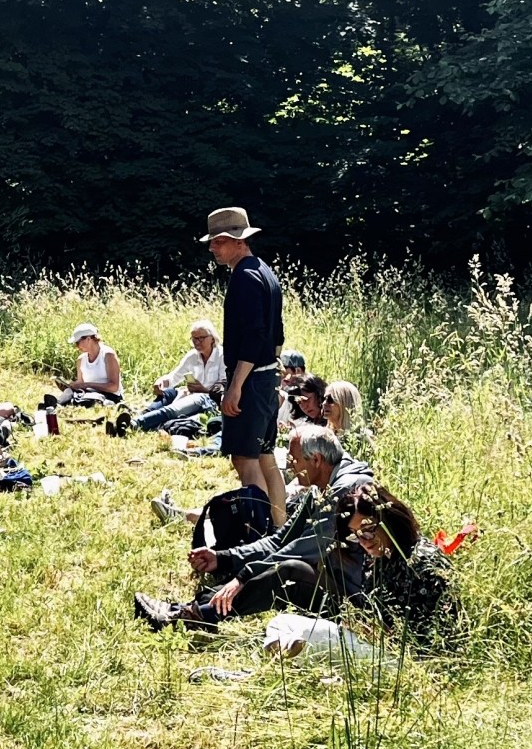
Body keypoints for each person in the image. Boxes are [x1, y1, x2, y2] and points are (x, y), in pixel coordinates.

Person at [134, 424, 349, 632]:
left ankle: (200, 617)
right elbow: (280, 540)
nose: (291, 467)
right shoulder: (320, 487)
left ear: (317, 460)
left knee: (288, 570)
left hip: (347, 602)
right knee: (275, 563)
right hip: (329, 580)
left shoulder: (342, 494)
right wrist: (224, 558)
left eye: (295, 460)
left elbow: (301, 549)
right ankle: (187, 610)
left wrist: (243, 576)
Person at [204, 207, 286, 527]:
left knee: (245, 460)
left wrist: (236, 386)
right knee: (266, 458)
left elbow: (254, 337)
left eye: (219, 241)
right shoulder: (265, 271)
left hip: (251, 382)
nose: (212, 247)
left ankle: (260, 534)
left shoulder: (245, 277)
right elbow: (276, 334)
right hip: (265, 379)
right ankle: (279, 530)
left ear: (239, 241)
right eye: (212, 241)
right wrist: (272, 377)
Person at [337, 485, 459, 650]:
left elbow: (442, 636)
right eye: (355, 534)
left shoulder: (423, 563)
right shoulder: (379, 556)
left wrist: (385, 636)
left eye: (368, 530)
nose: (363, 541)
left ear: (388, 519)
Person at [132, 321, 225, 431]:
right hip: (189, 394)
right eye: (194, 339)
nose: (197, 342)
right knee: (168, 393)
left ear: (212, 339)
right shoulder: (192, 356)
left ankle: (135, 423)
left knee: (172, 409)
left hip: (208, 399)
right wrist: (161, 382)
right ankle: (145, 413)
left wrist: (204, 390)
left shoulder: (222, 356)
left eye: (201, 338)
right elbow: (174, 377)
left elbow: (224, 388)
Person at [58, 324, 122, 405]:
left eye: (78, 342)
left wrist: (87, 385)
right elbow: (81, 383)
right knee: (69, 392)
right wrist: (71, 385)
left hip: (109, 395)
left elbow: (114, 387)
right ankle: (57, 403)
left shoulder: (108, 355)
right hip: (88, 393)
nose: (76, 346)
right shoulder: (81, 359)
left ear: (88, 339)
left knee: (90, 398)